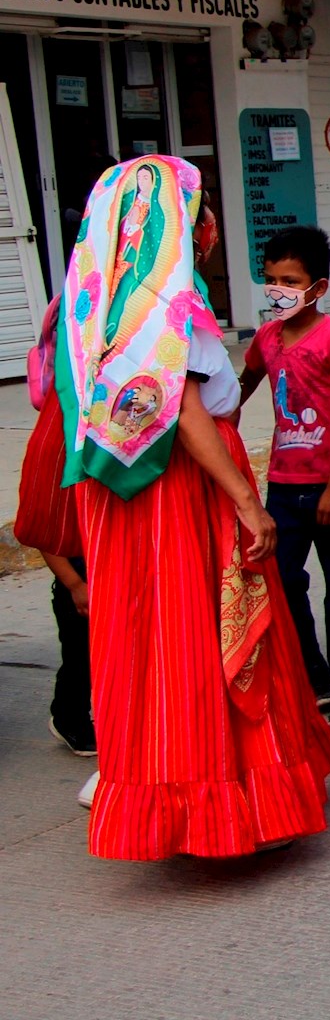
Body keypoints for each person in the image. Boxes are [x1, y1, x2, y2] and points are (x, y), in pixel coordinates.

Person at [57, 155, 330, 859]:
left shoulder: (99, 305)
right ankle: (218, 799)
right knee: (201, 632)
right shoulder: (166, 307)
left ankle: (166, 790)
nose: (210, 224)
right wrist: (247, 501)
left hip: (134, 500)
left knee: (158, 641)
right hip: (184, 490)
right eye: (202, 208)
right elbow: (183, 409)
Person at [239, 225, 330, 730]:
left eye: (290, 281)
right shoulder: (268, 337)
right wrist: (222, 417)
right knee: (284, 582)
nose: (279, 291)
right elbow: (249, 376)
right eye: (271, 280)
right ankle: (311, 673)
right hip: (283, 483)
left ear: (318, 287)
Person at [15, 303, 92, 756]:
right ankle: (69, 717)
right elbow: (39, 520)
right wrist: (74, 583)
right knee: (80, 653)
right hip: (77, 571)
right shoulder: (57, 427)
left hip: (105, 559)